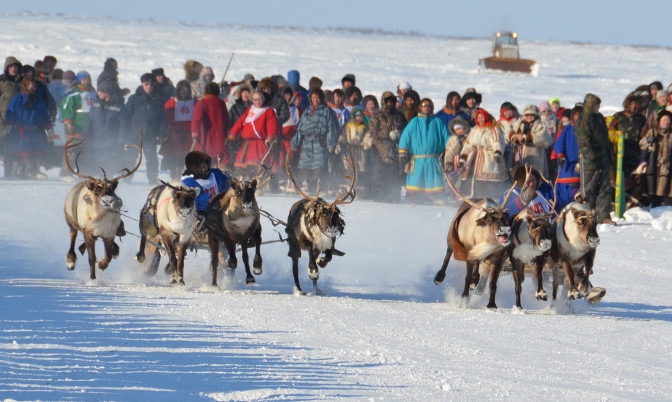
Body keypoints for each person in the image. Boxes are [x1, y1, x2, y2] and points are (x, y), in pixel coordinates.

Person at [398, 99, 449, 204]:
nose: (427, 108)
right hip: (417, 160)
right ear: (420, 108)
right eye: (424, 105)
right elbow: (405, 137)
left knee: (434, 181)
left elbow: (447, 138)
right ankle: (414, 199)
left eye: (429, 106)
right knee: (416, 181)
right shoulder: (414, 122)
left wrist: (449, 152)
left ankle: (436, 198)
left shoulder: (438, 121)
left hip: (433, 160)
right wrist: (403, 152)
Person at [574, 93, 615, 225]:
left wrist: (609, 155)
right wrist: (592, 157)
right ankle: (587, 216)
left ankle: (603, 216)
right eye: (596, 105)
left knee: (605, 188)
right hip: (590, 162)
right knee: (589, 190)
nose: (598, 107)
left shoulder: (599, 118)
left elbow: (605, 138)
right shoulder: (583, 120)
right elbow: (584, 142)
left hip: (604, 160)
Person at [290, 88, 339, 193]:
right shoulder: (307, 111)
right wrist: (295, 142)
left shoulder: (327, 111)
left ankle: (320, 187)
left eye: (317, 97)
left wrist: (331, 144)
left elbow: (332, 128)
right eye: (313, 97)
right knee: (305, 167)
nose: (315, 99)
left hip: (320, 143)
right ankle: (307, 186)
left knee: (319, 167)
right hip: (307, 143)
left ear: (321, 98)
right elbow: (300, 128)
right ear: (310, 99)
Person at [4, 77, 53, 179]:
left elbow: (44, 113)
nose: (34, 87)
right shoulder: (18, 98)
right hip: (20, 131)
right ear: (26, 85)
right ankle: (16, 172)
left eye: (34, 85)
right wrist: (8, 124)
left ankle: (32, 171)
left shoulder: (38, 99)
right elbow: (10, 111)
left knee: (35, 153)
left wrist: (48, 126)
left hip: (34, 131)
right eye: (32, 85)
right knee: (20, 154)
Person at [362, 91, 407, 202]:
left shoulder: (400, 116)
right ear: (383, 102)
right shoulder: (377, 115)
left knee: (394, 175)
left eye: (392, 102)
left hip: (395, 151)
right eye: (387, 102)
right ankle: (379, 197)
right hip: (379, 151)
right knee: (379, 175)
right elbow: (373, 131)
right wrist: (388, 133)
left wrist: (399, 133)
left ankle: (394, 197)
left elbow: (406, 130)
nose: (390, 104)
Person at [122, 73, 166, 184]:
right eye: (146, 84)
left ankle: (152, 181)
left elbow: (163, 118)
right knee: (130, 158)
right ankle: (126, 180)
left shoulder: (158, 100)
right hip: (134, 134)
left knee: (152, 158)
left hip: (150, 134)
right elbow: (126, 116)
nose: (149, 86)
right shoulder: (134, 99)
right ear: (142, 84)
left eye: (151, 84)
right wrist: (126, 132)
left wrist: (162, 132)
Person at [459, 108, 509, 199]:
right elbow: (467, 144)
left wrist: (497, 153)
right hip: (475, 158)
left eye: (482, 117)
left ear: (486, 117)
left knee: (487, 181)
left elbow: (497, 142)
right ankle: (473, 198)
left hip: (489, 158)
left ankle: (490, 198)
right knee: (471, 178)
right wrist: (463, 157)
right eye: (478, 118)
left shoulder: (493, 129)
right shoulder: (474, 130)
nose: (480, 120)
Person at [229, 90, 278, 175]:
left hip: (260, 144)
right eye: (255, 100)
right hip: (247, 144)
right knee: (242, 166)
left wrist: (270, 138)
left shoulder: (269, 111)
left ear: (263, 99)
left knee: (258, 165)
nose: (258, 102)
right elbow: (240, 122)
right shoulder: (250, 109)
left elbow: (272, 125)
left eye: (259, 99)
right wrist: (232, 135)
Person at [190, 82, 230, 169]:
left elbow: (196, 120)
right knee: (219, 162)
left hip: (205, 138)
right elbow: (226, 119)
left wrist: (194, 133)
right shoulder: (221, 103)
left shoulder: (202, 103)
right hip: (220, 138)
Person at [181, 150, 230, 219]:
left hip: (220, 209)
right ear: (193, 169)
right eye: (199, 168)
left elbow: (228, 187)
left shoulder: (217, 174)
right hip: (201, 214)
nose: (204, 169)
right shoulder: (188, 182)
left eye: (204, 166)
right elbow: (199, 198)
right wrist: (204, 210)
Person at [161, 80, 195, 179]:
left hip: (189, 137)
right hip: (174, 137)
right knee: (174, 161)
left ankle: (185, 179)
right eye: (181, 89)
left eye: (186, 89)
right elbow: (167, 117)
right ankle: (174, 179)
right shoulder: (171, 102)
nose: (184, 91)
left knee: (186, 161)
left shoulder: (194, 103)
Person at [508, 104, 553, 178]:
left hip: (535, 157)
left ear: (536, 116)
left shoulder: (540, 125)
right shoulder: (519, 124)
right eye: (527, 115)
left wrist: (526, 138)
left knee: (534, 176)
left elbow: (543, 138)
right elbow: (509, 131)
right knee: (520, 177)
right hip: (519, 156)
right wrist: (514, 136)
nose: (529, 117)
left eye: (532, 115)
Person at [639, 110, 672, 207]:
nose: (666, 122)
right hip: (653, 166)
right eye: (664, 119)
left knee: (667, 192)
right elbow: (642, 144)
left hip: (667, 167)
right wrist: (649, 142)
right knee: (654, 191)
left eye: (668, 120)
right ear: (659, 121)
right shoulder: (652, 132)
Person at [553, 105, 583, 212]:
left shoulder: (587, 130)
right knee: (566, 189)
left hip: (584, 165)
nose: (578, 117)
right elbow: (558, 143)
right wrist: (561, 155)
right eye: (576, 114)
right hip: (569, 165)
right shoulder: (569, 129)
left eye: (580, 115)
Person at [613, 93, 647, 176]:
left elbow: (645, 133)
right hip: (622, 149)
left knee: (635, 174)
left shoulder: (641, 118)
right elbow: (612, 131)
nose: (634, 106)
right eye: (631, 104)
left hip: (636, 150)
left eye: (636, 104)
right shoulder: (618, 116)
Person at [1, 56, 23, 178]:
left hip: (19, 119)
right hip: (3, 119)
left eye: (16, 67)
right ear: (7, 68)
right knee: (4, 145)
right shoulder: (2, 81)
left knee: (15, 146)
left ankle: (14, 171)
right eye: (11, 67)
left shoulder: (22, 82)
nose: (14, 69)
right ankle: (9, 171)